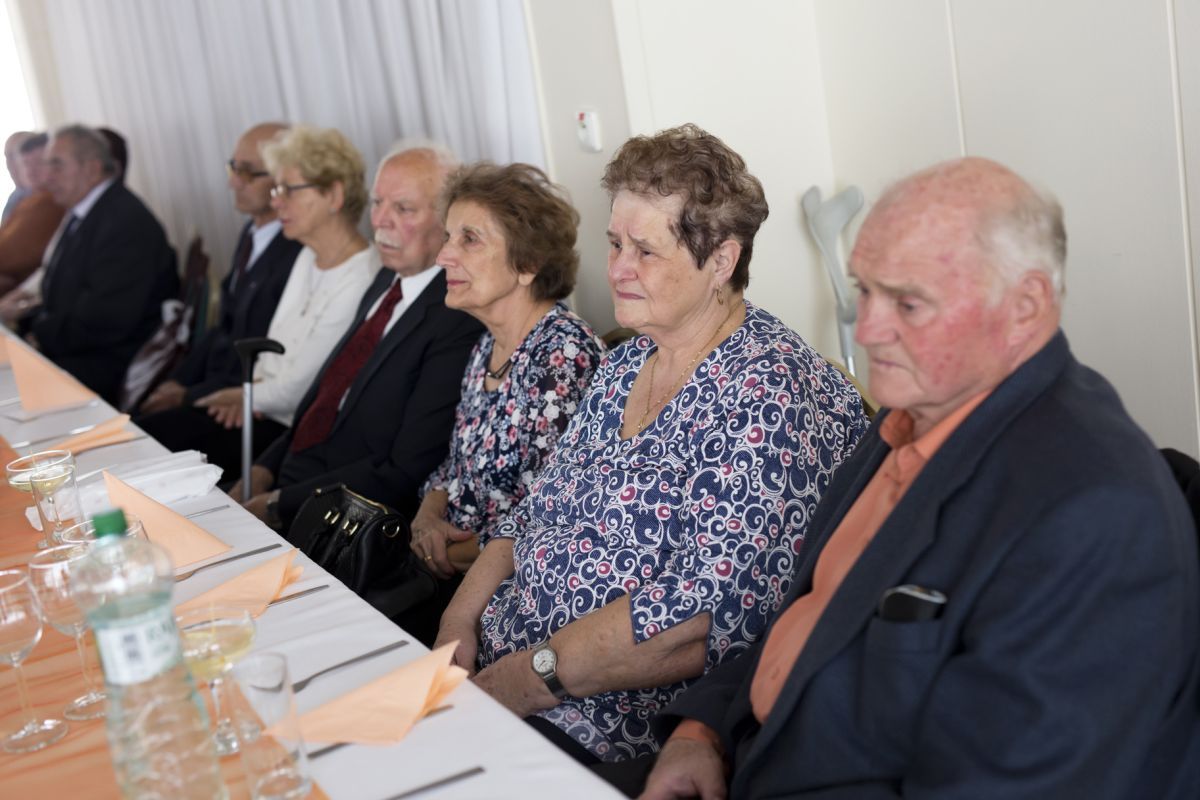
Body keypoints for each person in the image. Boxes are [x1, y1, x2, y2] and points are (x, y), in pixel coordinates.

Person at [637, 157, 1200, 800]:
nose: (869, 329)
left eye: (909, 302)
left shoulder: (1095, 509)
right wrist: (701, 731)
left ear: (1025, 307)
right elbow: (809, 615)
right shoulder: (912, 412)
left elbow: (999, 785)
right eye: (865, 290)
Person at [433, 124, 868, 763]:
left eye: (645, 251)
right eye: (614, 244)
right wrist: (455, 625)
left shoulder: (767, 391)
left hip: (601, 721)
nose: (617, 269)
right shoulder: (625, 363)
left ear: (721, 260)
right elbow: (529, 518)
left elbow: (694, 623)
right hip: (498, 674)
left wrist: (517, 683)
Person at [400, 162, 604, 643]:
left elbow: (550, 518)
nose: (443, 256)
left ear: (527, 263)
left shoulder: (563, 355)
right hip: (446, 574)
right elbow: (454, 466)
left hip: (510, 605)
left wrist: (436, 552)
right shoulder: (486, 348)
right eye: (448, 237)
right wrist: (427, 518)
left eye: (469, 239)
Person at [233, 143, 484, 531]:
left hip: (342, 517)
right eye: (377, 202)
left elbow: (403, 470)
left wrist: (278, 504)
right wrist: (263, 467)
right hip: (290, 479)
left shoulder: (456, 317)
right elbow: (326, 397)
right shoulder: (385, 279)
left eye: (403, 209)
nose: (380, 220)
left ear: (449, 221)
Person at [151, 125, 378, 473]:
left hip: (296, 431)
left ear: (334, 195)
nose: (276, 201)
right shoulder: (307, 255)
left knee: (153, 445)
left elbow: (303, 387)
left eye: (288, 190)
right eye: (276, 189)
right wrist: (249, 396)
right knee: (146, 437)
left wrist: (243, 397)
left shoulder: (362, 275)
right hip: (262, 408)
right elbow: (270, 351)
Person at [136, 123, 304, 470]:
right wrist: (178, 381)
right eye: (233, 168)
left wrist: (188, 395)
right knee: (133, 431)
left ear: (285, 179)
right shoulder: (251, 233)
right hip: (213, 388)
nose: (233, 182)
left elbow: (264, 348)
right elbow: (222, 327)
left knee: (140, 445)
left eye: (247, 172)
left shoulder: (297, 249)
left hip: (247, 406)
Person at [29, 124, 177, 403]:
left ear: (92, 168)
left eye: (57, 165)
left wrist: (38, 334)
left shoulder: (124, 222)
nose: (47, 177)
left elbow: (105, 320)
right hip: (77, 349)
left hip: (110, 363)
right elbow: (60, 294)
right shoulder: (86, 213)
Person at [0, 134, 64, 294]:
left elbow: (9, 254)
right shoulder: (27, 200)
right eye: (26, 164)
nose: (31, 171)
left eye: (39, 163)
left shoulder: (49, 201)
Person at [3, 131, 33, 223]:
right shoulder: (15, 195)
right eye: (7, 157)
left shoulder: (43, 197)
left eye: (13, 156)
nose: (8, 164)